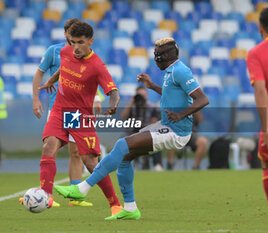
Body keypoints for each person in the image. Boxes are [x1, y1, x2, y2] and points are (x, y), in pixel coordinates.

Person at [54, 37, 209, 220]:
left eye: (157, 55)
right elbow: (173, 93)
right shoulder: (171, 71)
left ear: (166, 56)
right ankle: (130, 208)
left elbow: (203, 99)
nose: (155, 59)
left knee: (122, 145)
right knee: (125, 157)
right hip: (166, 125)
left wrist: (181, 114)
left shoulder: (181, 71)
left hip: (177, 131)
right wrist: (151, 86)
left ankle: (83, 188)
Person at [38, 21, 123, 216]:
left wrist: (114, 104)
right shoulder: (65, 52)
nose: (75, 47)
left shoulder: (97, 66)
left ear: (90, 41)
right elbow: (65, 67)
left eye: (80, 42)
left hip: (80, 116)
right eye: (72, 42)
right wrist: (51, 79)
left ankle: (115, 204)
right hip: (60, 110)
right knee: (48, 147)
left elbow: (113, 90)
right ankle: (46, 197)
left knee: (90, 162)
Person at [31, 18, 95, 207]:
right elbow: (39, 74)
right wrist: (36, 100)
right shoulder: (54, 51)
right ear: (66, 33)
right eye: (70, 33)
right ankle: (45, 195)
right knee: (50, 148)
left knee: (76, 152)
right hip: (57, 107)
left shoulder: (84, 52)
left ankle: (75, 196)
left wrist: (97, 98)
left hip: (76, 110)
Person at [246, 7, 268, 208]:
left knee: (267, 165)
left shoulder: (256, 53)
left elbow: (261, 91)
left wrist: (266, 128)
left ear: (260, 27)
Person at [121, 86, 163, 171]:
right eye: (139, 95)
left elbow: (155, 122)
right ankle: (122, 165)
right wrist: (132, 101)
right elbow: (123, 116)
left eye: (143, 95)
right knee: (121, 142)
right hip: (133, 133)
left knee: (158, 139)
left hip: (148, 132)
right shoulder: (132, 107)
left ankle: (157, 164)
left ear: (146, 96)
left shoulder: (152, 106)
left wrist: (143, 126)